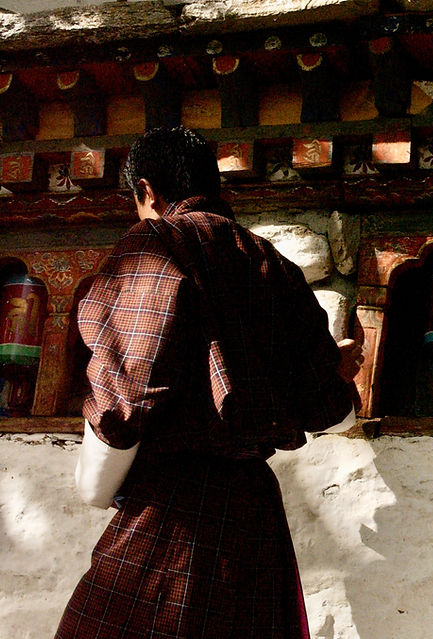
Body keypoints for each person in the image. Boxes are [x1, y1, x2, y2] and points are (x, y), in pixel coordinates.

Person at [55, 126, 360, 639]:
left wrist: (94, 486)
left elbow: (126, 391)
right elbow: (330, 408)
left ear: (147, 191)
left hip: (174, 513)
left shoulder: (155, 242)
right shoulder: (273, 263)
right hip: (255, 517)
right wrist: (335, 371)